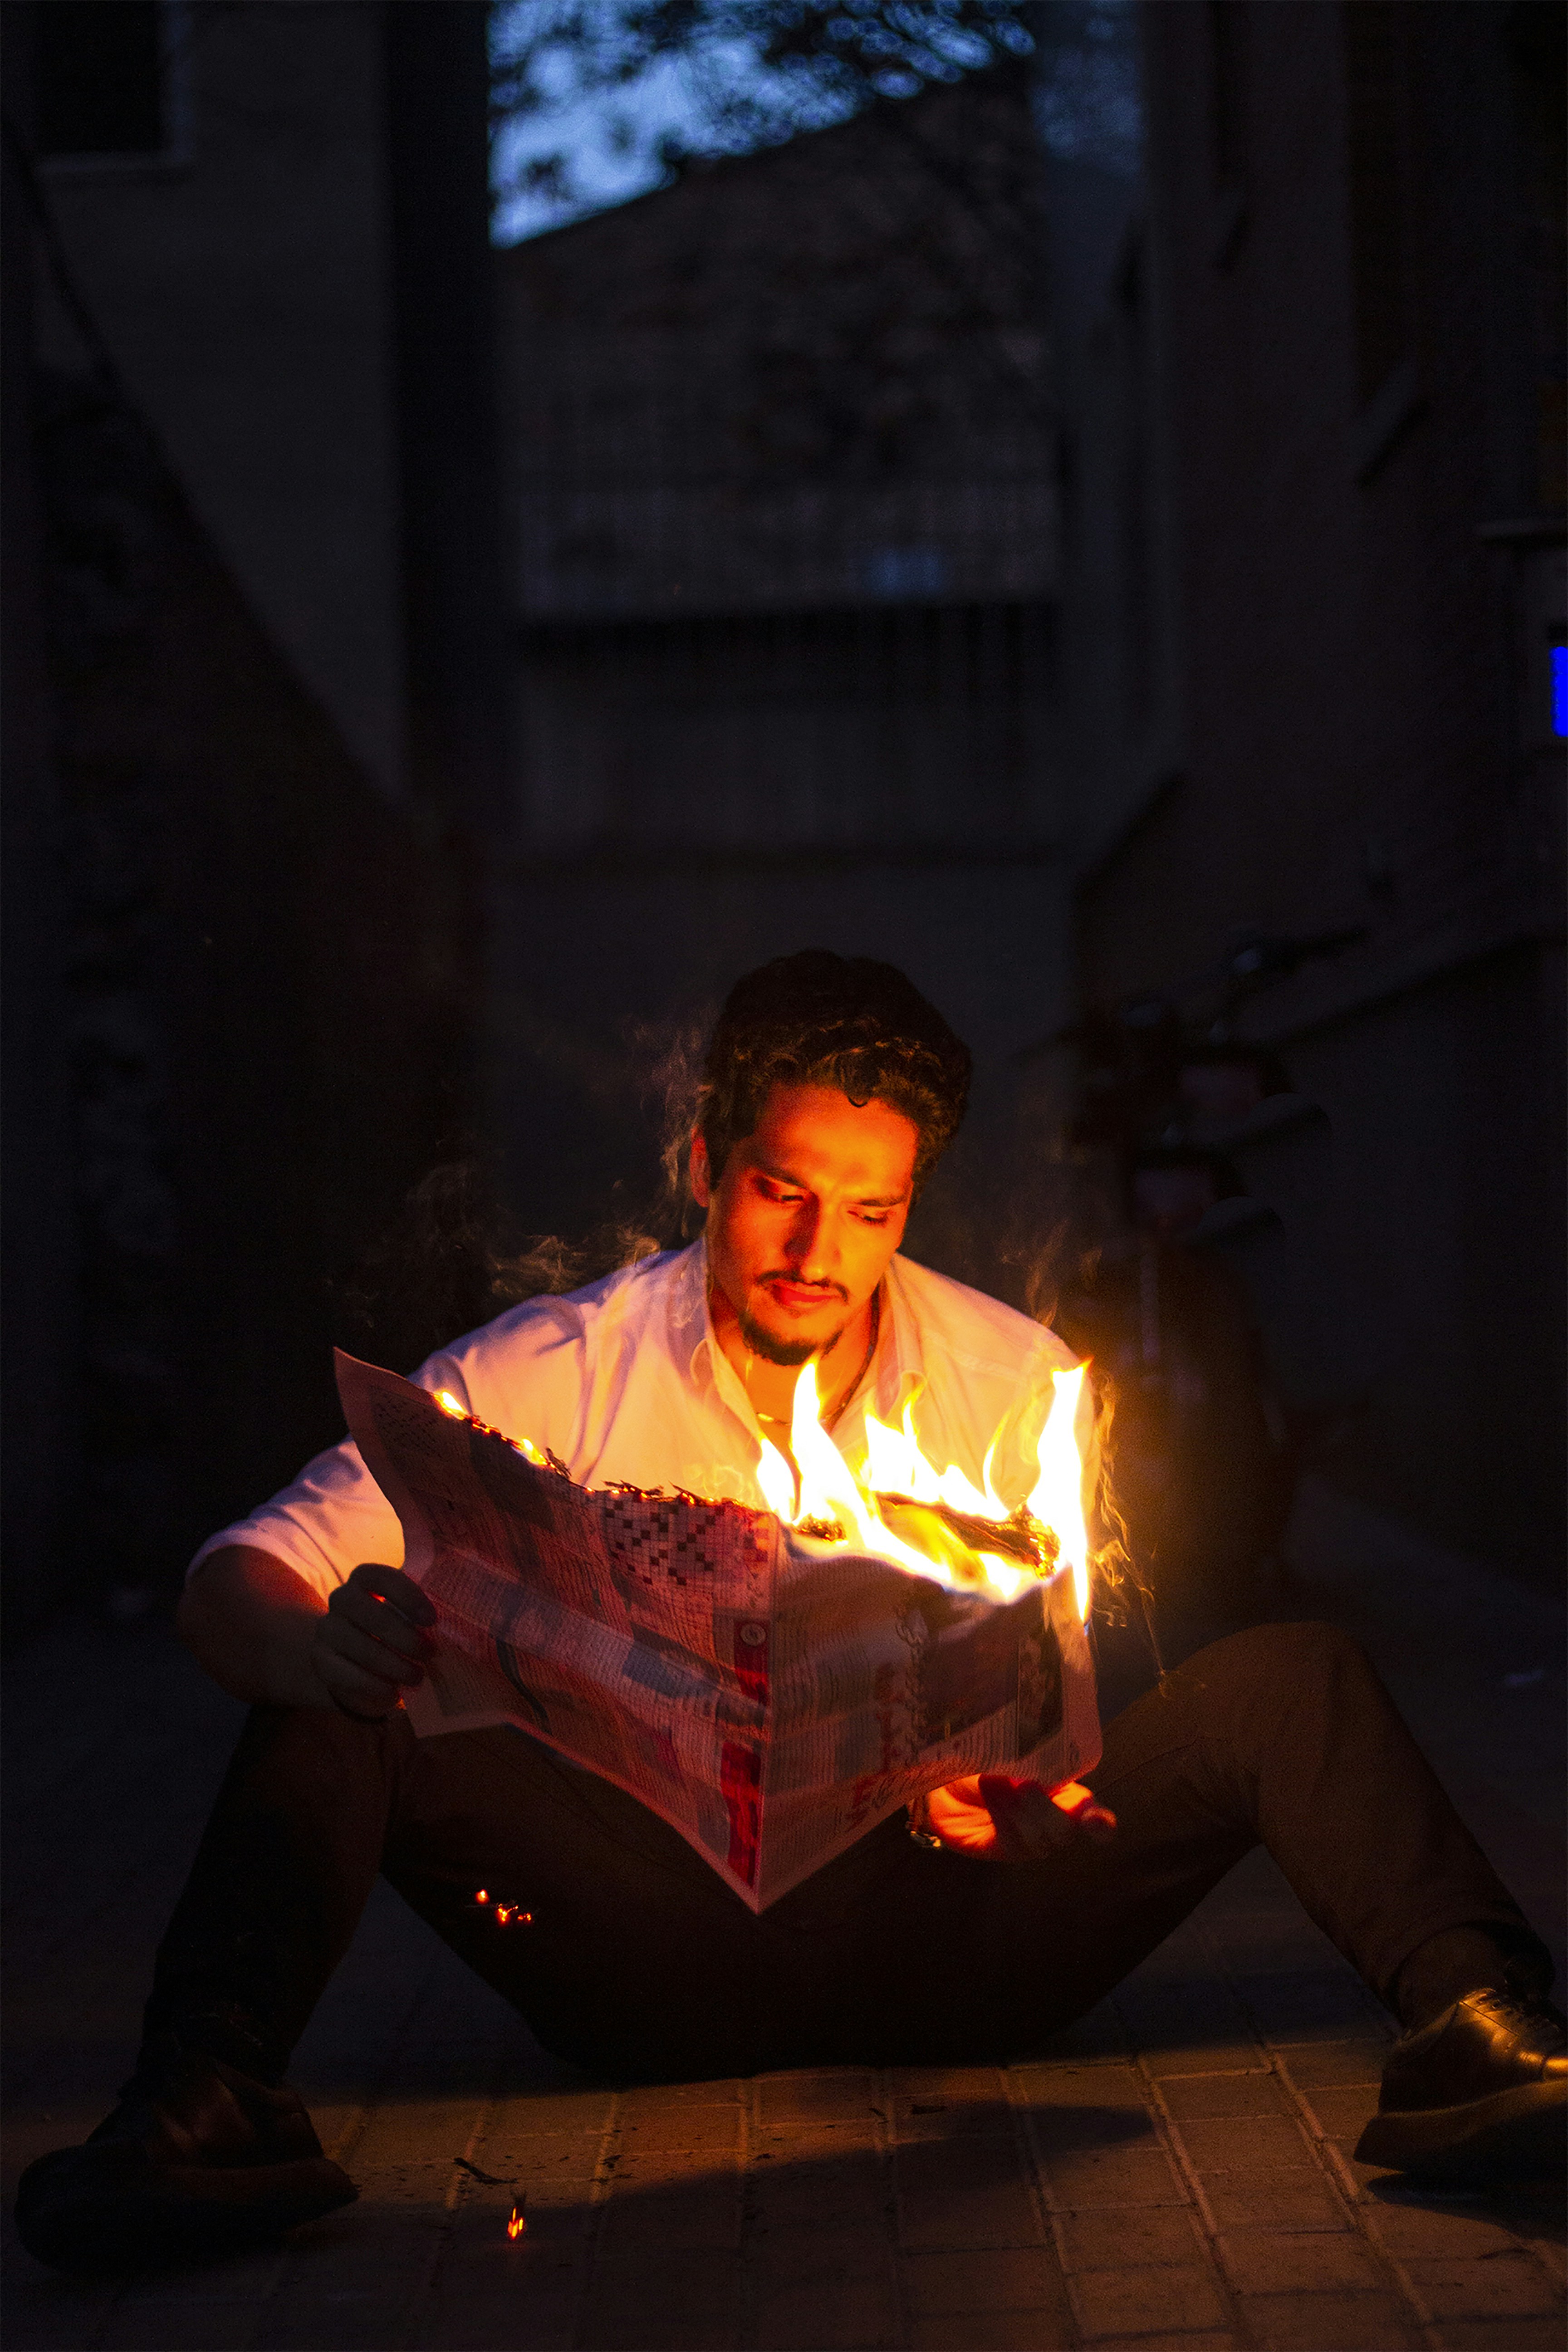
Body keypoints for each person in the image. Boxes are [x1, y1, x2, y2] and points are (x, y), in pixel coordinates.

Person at [17, 952, 1564, 2274]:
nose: (824, 1256)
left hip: (949, 1950)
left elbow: (1054, 1718)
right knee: (358, 1663)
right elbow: (234, 1579)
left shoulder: (1010, 1382)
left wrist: (1019, 1798)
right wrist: (317, 1645)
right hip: (643, 1959)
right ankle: (207, 2108)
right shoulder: (539, 1377)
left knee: (1290, 1678)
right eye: (782, 1193)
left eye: (873, 1208)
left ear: (912, 1202)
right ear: (705, 1163)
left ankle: (1486, 2029)